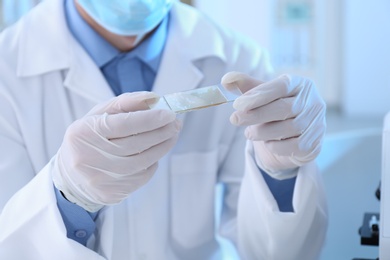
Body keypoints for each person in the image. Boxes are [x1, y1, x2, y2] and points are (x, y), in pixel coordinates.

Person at [0, 0, 328, 259]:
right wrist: (68, 198)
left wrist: (280, 175)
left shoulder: (239, 58)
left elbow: (277, 254)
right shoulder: (7, 69)